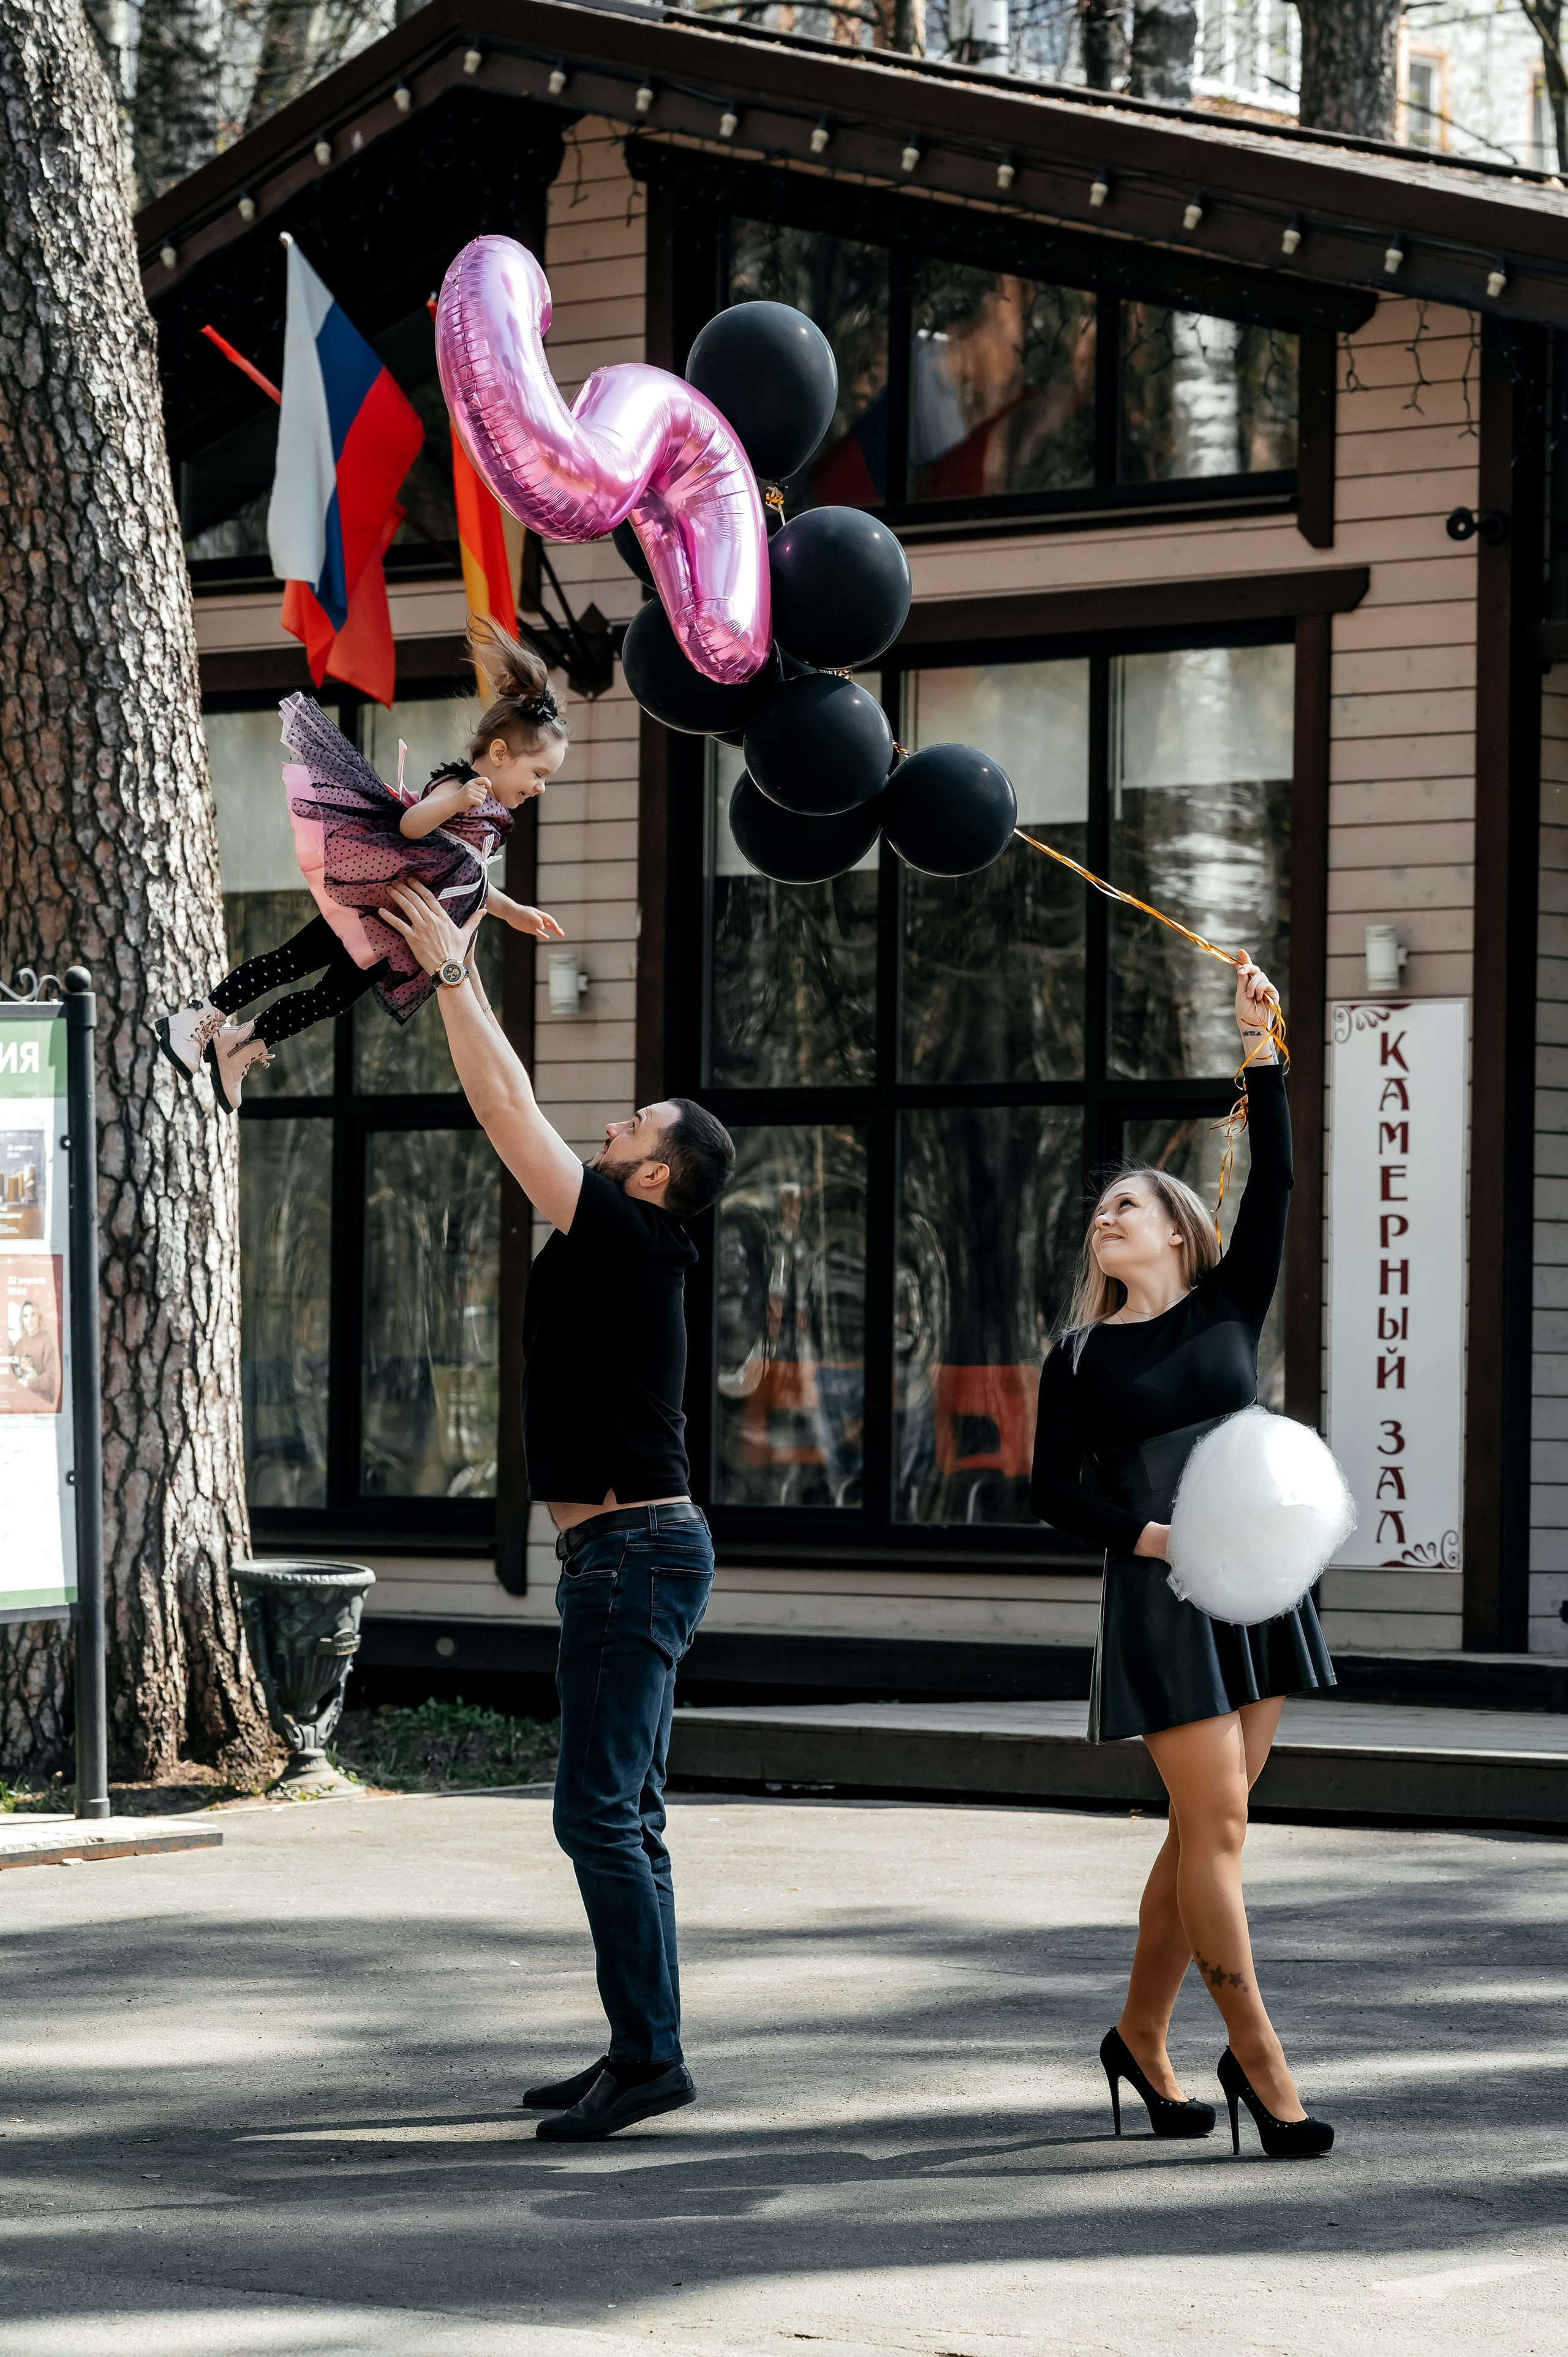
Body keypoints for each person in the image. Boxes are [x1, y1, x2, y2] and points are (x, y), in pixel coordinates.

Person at [377, 870, 736, 2145]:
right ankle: (642, 2048)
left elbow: (505, 1106)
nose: (614, 1124)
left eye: (635, 1122)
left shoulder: (636, 1241)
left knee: (595, 1813)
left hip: (632, 1554)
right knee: (622, 1813)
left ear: (658, 1177)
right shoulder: (624, 1243)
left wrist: (457, 976)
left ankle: (649, 2057)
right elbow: (520, 1113)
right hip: (631, 1555)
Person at [1031, 954, 1336, 2162]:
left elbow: (1281, 1171)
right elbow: (1052, 1492)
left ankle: (1138, 2037)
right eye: (1099, 1206)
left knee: (1198, 1829)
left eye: (1130, 1202)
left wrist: (1260, 1046)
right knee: (1210, 1829)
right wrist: (1150, 1533)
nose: (1108, 1214)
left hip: (1256, 1587)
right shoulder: (1074, 1360)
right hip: (1163, 1594)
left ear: (1175, 1228)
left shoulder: (1225, 1307)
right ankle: (1260, 2065)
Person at [153, 620, 566, 1111]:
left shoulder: (490, 819)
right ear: (499, 754)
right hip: (372, 909)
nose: (540, 787)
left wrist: (512, 909)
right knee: (292, 960)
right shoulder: (459, 789)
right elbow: (412, 827)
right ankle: (200, 1017)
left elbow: (466, 884)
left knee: (330, 999)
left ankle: (243, 1043)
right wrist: (454, 805)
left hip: (393, 933)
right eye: (538, 774)